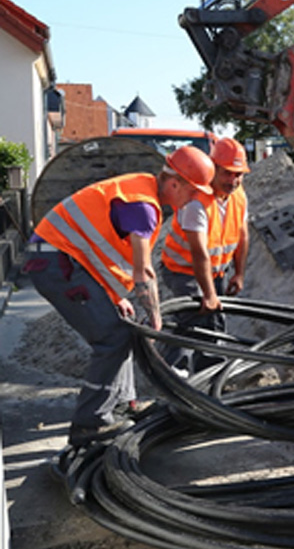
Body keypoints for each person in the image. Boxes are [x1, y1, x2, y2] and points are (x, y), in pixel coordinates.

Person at [25, 146, 215, 449]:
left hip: (62, 261)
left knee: (124, 324)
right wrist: (155, 320)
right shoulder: (143, 206)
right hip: (54, 263)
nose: (194, 201)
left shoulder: (141, 188)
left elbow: (97, 251)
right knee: (112, 339)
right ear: (175, 183)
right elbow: (143, 273)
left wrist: (115, 297)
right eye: (193, 193)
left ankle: (124, 403)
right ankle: (91, 423)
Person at [159, 137, 251, 372]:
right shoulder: (196, 202)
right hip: (182, 269)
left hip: (217, 270)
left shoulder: (238, 197)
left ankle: (209, 374)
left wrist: (238, 274)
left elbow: (242, 235)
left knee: (215, 321)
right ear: (214, 169)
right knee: (193, 317)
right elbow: (199, 253)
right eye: (227, 173)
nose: (234, 180)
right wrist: (209, 295)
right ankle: (173, 372)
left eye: (238, 174)